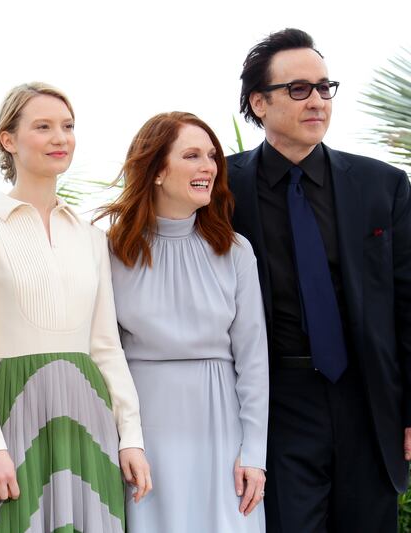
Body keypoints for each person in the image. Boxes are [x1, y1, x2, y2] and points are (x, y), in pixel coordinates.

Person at [229, 28, 411, 532]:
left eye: (325, 87)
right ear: (259, 103)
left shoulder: (381, 185)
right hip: (277, 405)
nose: (318, 101)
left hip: (369, 404)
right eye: (298, 89)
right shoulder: (225, 187)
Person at [0, 82, 151, 533]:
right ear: (9, 140)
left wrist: (131, 438)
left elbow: (106, 347)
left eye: (68, 127)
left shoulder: (91, 237)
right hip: (12, 414)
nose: (60, 138)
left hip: (89, 415)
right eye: (43, 127)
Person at [96, 112, 268, 532]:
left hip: (222, 428)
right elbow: (100, 350)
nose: (208, 166)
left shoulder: (235, 251)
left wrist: (254, 455)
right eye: (192, 155)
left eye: (211, 156)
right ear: (156, 170)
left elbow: (254, 361)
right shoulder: (108, 250)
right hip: (144, 426)